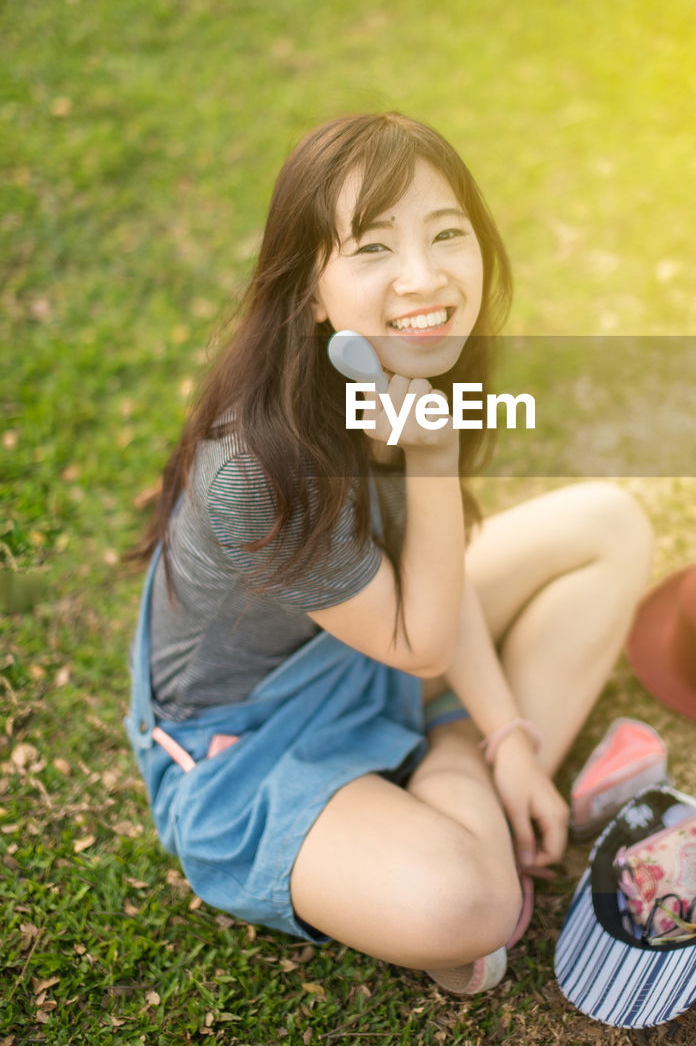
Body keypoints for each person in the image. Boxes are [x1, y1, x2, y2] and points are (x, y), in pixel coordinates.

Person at [126, 112, 654, 995]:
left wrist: (513, 738)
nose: (424, 275)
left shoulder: (395, 374)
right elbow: (424, 642)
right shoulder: (257, 466)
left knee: (611, 523)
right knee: (466, 907)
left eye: (448, 234)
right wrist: (433, 457)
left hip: (385, 640)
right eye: (373, 248)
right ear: (311, 292)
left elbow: (429, 596)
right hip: (252, 746)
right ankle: (447, 758)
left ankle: (461, 757)